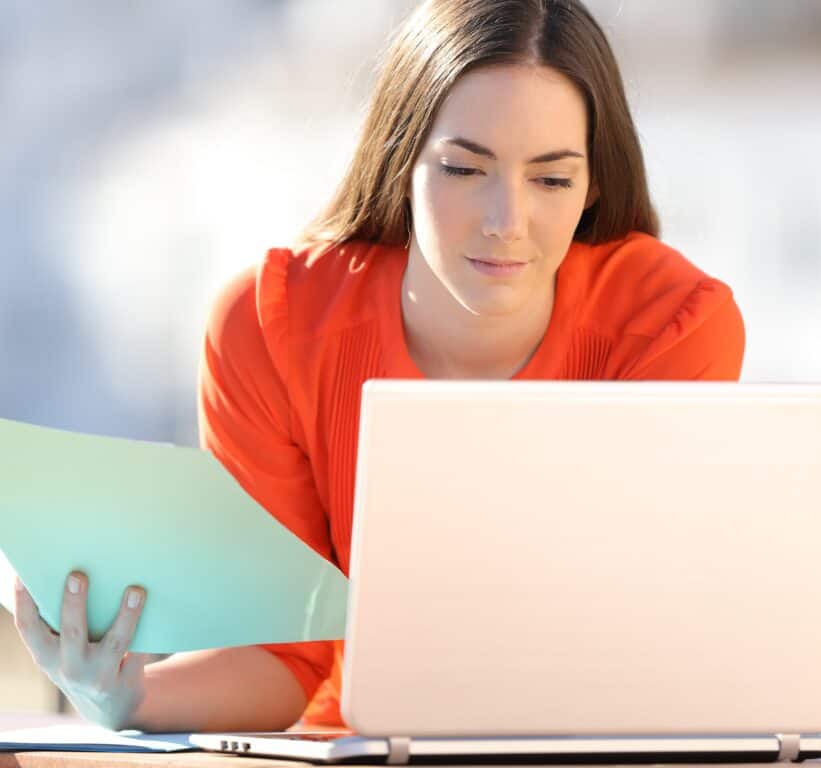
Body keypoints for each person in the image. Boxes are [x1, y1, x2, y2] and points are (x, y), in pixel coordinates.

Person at [13, 0, 744, 733]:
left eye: (551, 180)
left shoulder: (672, 324)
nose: (506, 220)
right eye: (464, 168)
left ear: (591, 187)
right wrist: (124, 698)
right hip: (362, 749)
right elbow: (287, 660)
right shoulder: (270, 328)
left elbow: (644, 640)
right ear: (402, 161)